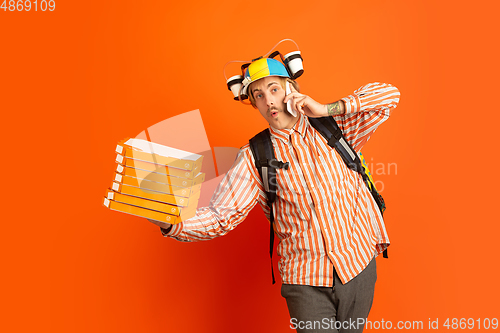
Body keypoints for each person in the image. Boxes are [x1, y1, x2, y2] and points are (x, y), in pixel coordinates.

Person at [150, 57, 400, 332]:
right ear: (254, 103)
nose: (268, 100)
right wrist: (172, 223)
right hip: (306, 280)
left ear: (291, 88)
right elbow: (221, 215)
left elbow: (389, 95)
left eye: (274, 89)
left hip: (359, 264)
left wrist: (326, 107)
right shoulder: (254, 157)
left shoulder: (335, 127)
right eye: (258, 95)